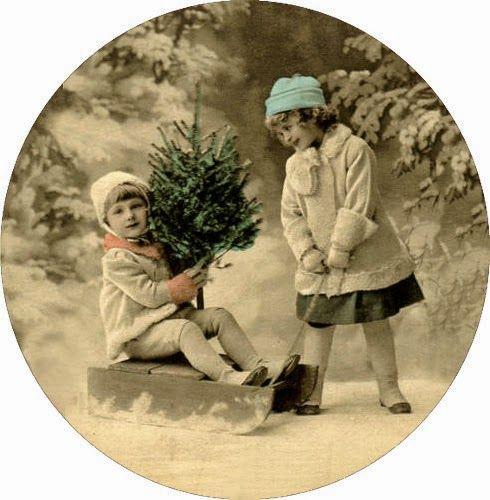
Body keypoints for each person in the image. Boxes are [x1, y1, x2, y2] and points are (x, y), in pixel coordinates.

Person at [265, 75, 424, 414]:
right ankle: (311, 393)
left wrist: (340, 248)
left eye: (288, 127)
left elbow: (360, 203)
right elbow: (291, 215)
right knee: (318, 325)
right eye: (279, 133)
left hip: (363, 257)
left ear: (310, 115)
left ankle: (389, 389)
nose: (286, 138)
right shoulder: (295, 165)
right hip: (321, 264)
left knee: (375, 321)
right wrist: (308, 253)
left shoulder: (355, 150)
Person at [90, 170, 298, 387]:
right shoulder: (117, 258)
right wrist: (179, 286)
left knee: (219, 316)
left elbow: (178, 271)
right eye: (118, 211)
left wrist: (196, 264)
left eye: (136, 206)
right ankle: (227, 377)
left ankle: (257, 366)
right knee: (185, 329)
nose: (130, 215)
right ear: (107, 222)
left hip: (171, 318)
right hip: (140, 335)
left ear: (148, 208)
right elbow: (149, 296)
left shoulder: (158, 244)